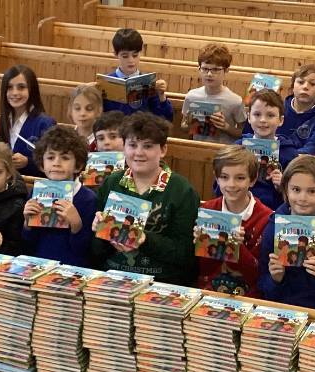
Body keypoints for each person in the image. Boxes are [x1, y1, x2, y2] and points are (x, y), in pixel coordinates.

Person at [90, 112, 199, 285]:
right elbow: (95, 253)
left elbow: (185, 254)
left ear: (163, 150)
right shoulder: (111, 183)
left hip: (161, 281)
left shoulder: (182, 190)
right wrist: (99, 233)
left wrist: (145, 239)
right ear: (124, 147)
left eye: (147, 146)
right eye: (132, 145)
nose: (138, 153)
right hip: (112, 276)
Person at [258, 155, 315, 311]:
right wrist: (275, 279)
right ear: (286, 189)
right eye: (296, 190)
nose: (302, 198)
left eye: (312, 191)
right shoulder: (273, 227)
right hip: (280, 309)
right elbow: (263, 287)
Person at [196, 145, 273, 298]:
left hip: (249, 297)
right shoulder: (208, 210)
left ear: (252, 180)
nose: (231, 184)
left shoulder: (267, 219)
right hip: (208, 294)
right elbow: (203, 271)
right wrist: (200, 245)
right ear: (216, 178)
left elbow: (259, 277)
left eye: (240, 178)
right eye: (224, 177)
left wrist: (238, 248)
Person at [23, 126, 97, 266]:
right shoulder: (35, 193)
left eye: (65, 157)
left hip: (71, 271)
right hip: (38, 267)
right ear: (41, 164)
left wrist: (76, 226)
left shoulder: (88, 199)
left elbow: (87, 251)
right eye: (50, 157)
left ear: (78, 165)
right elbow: (29, 243)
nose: (56, 163)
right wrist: (27, 224)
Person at [235, 89, 298, 210]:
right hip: (240, 209)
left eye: (270, 115)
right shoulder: (238, 148)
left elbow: (297, 195)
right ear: (248, 117)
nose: (263, 120)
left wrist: (283, 187)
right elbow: (219, 186)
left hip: (273, 211)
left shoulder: (289, 154)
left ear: (281, 120)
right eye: (257, 114)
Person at [243, 64, 315, 149]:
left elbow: (312, 149)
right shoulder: (275, 108)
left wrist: (285, 154)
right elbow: (248, 136)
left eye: (313, 84)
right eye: (301, 82)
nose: (305, 87)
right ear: (292, 87)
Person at [181, 43, 248, 144]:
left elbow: (245, 134)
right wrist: (188, 124)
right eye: (205, 69)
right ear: (199, 69)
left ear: (226, 70)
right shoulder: (191, 96)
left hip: (224, 153)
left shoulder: (235, 101)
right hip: (197, 148)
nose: (209, 74)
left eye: (216, 69)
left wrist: (226, 127)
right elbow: (183, 126)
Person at [102, 28, 173, 121]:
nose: (131, 60)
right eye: (125, 56)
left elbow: (166, 118)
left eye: (135, 55)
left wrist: (161, 96)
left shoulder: (148, 82)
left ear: (141, 52)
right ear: (115, 54)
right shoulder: (106, 83)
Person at [0, 64, 56, 177]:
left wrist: (28, 162)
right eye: (9, 87)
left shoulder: (45, 123)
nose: (15, 93)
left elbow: (54, 163)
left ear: (32, 90)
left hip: (32, 186)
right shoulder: (5, 120)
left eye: (21, 87)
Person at [68, 84, 103, 151]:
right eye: (77, 108)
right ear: (70, 110)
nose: (82, 114)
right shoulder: (66, 138)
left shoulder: (103, 142)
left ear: (99, 111)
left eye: (89, 109)